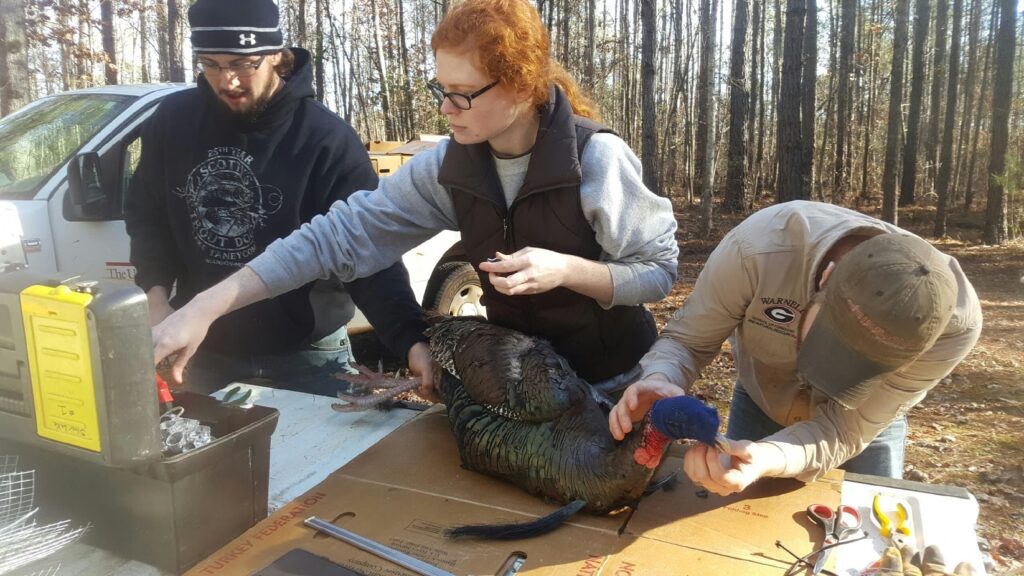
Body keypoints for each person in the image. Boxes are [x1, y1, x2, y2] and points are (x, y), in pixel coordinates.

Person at [148, 0, 679, 400]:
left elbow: (658, 273)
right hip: (522, 384)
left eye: (462, 93)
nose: (446, 108)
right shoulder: (451, 167)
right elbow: (333, 238)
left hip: (614, 383)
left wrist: (567, 269)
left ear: (518, 86)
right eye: (440, 89)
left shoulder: (596, 159)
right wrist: (205, 306)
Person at [126, 0, 427, 395]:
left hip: (308, 352)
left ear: (274, 56)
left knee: (325, 458)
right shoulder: (173, 122)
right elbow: (148, 217)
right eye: (211, 64)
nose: (226, 80)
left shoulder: (325, 139)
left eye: (241, 64)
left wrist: (410, 339)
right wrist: (155, 296)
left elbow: (368, 248)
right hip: (203, 346)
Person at [609, 201, 982, 494]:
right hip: (761, 400)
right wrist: (661, 376)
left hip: (861, 425)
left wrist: (770, 457)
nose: (829, 373)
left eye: (860, 366)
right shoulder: (757, 250)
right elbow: (688, 342)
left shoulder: (952, 327)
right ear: (828, 275)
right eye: (830, 343)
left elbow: (845, 428)